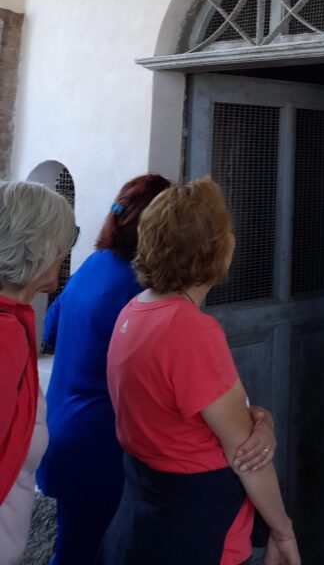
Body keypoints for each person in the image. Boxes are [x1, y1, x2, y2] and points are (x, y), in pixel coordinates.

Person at [38, 173, 278, 565]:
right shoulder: (151, 299)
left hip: (63, 431)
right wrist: (257, 421)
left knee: (73, 547)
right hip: (106, 448)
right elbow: (206, 403)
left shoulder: (94, 264)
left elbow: (51, 329)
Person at [98, 178, 300, 565]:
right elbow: (247, 457)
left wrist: (260, 419)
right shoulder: (190, 330)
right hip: (197, 531)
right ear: (215, 251)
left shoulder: (135, 310)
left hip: (144, 521)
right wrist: (283, 530)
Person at [0, 180, 78, 565]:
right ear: (39, 247)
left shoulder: (14, 322)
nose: (64, 254)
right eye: (63, 243)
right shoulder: (4, 335)